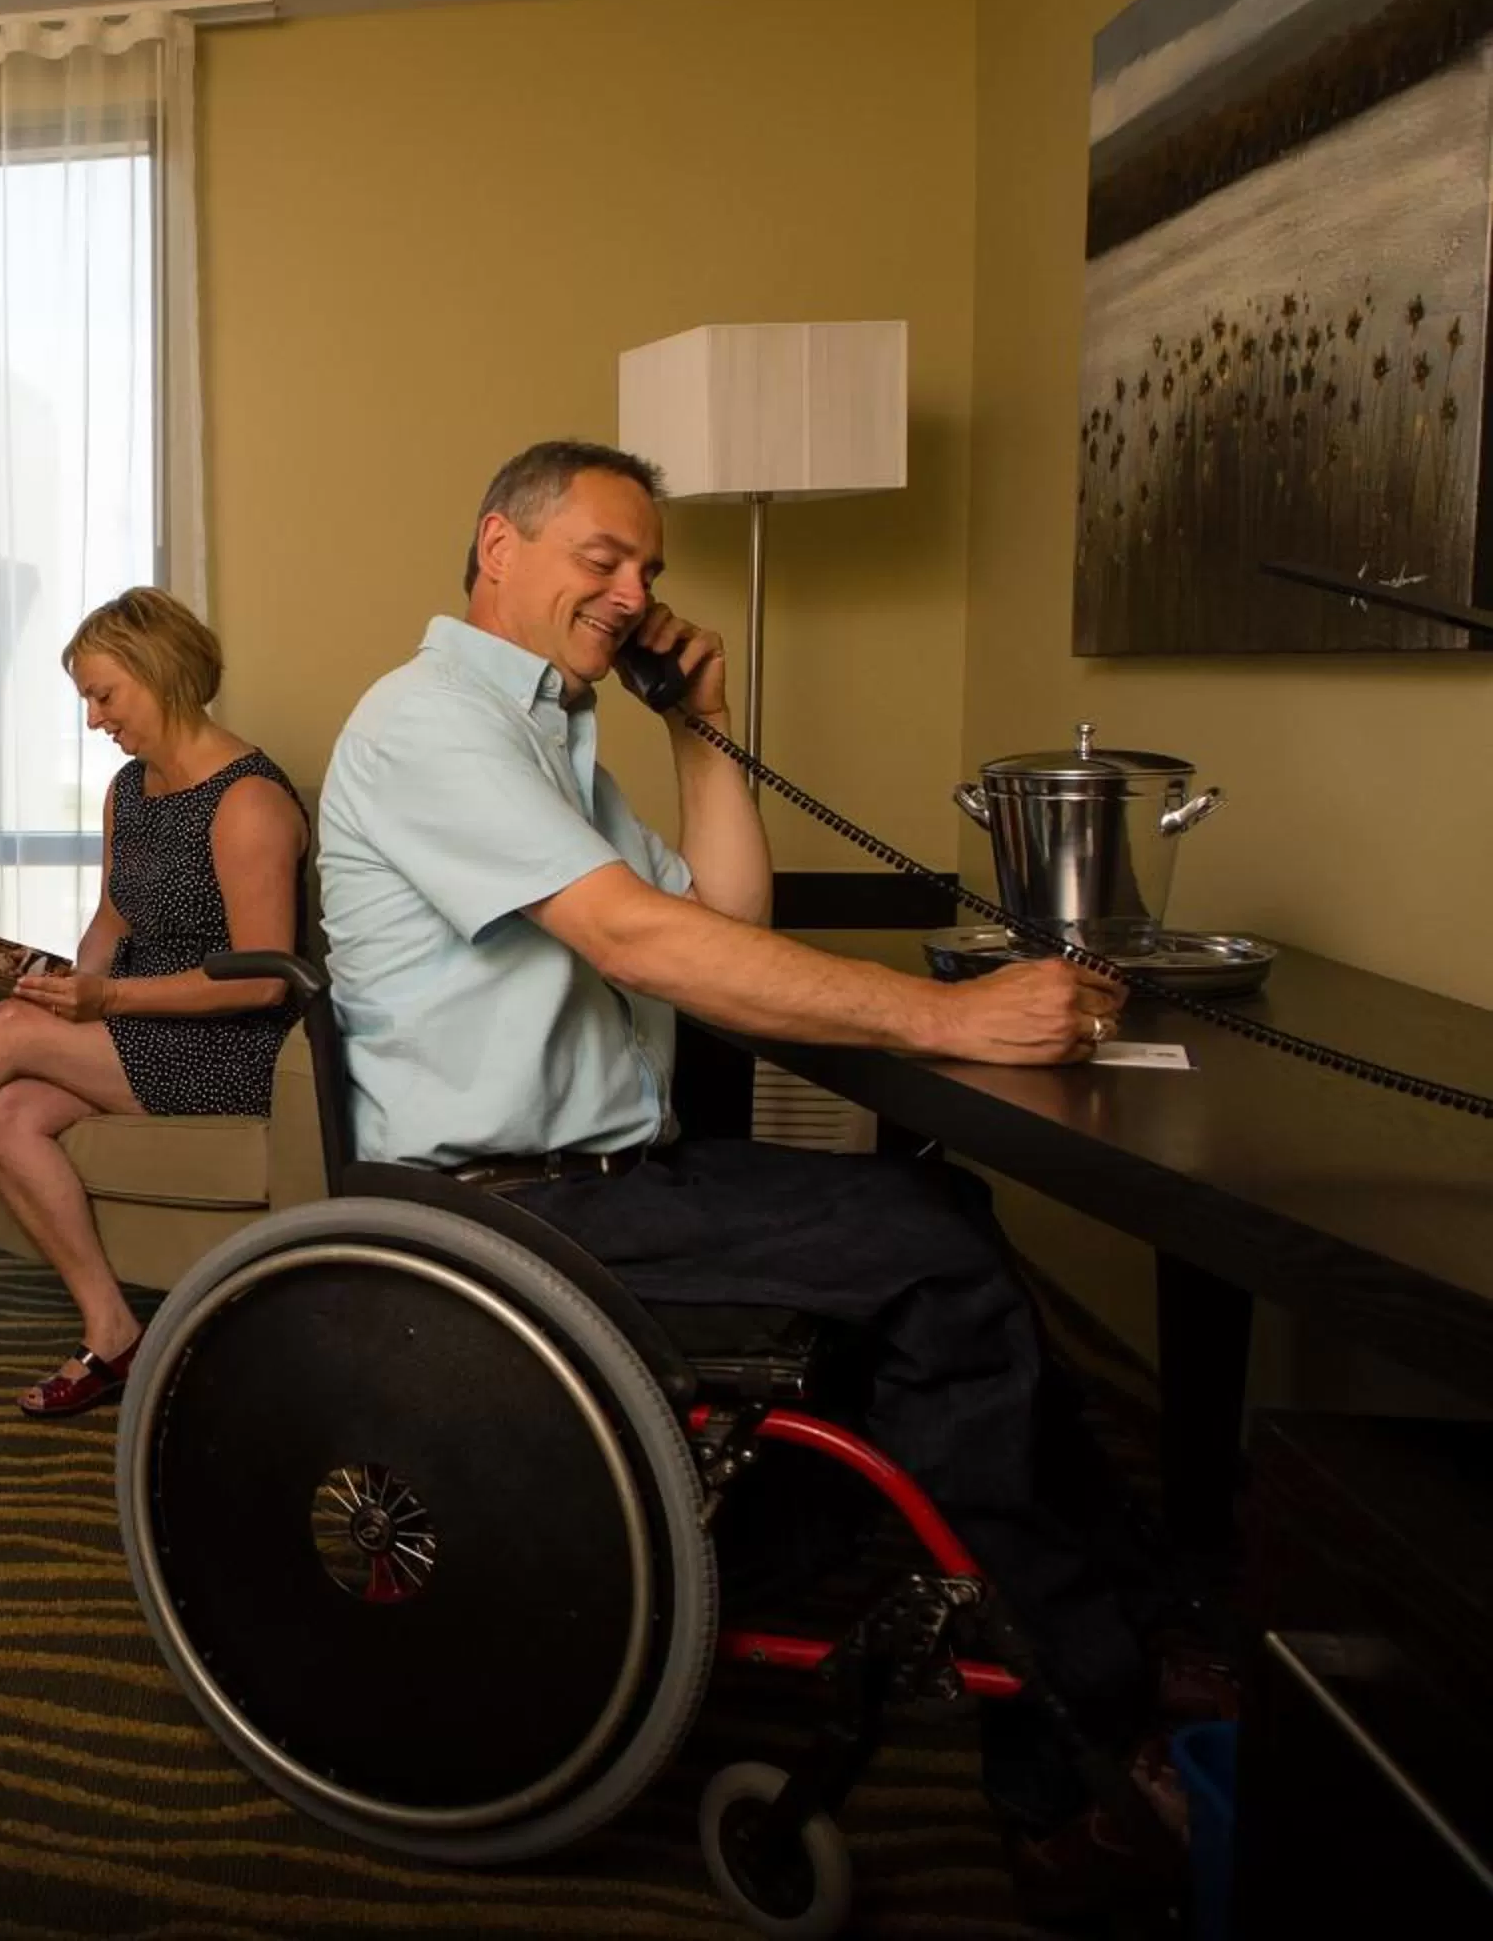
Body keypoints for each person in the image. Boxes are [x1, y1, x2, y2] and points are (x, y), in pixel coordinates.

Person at [318, 440, 1199, 1916]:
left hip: (605, 1177)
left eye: (649, 569)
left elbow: (723, 909)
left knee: (942, 1225)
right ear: (499, 548)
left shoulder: (547, 737)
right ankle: (1067, 1767)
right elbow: (642, 944)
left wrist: (703, 723)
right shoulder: (426, 725)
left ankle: (1101, 1612)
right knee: (934, 1257)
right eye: (603, 557)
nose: (633, 589)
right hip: (504, 1212)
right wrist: (948, 1015)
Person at [0, 587, 308, 1416]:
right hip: (142, 1029)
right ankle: (114, 1331)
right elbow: (112, 918)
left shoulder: (247, 802)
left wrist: (102, 998)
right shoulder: (131, 789)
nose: (94, 719)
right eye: (87, 698)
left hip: (231, 1048)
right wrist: (65, 982)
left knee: (12, 1031)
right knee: (2, 1114)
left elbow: (264, 978)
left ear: (161, 674)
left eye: (103, 694)